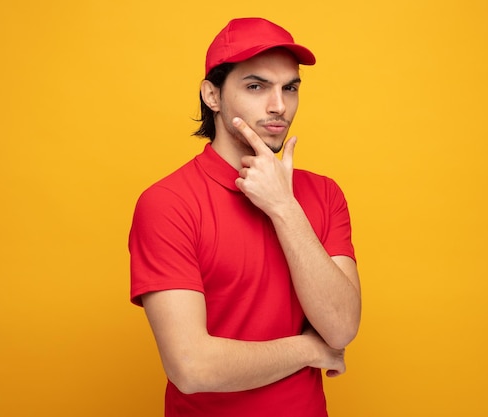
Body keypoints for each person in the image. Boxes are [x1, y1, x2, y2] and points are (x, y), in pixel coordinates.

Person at [129, 17, 361, 417]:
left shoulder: (324, 194)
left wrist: (284, 208)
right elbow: (192, 367)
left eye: (290, 87)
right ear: (212, 95)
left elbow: (341, 328)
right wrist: (309, 348)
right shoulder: (167, 203)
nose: (278, 105)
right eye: (256, 86)